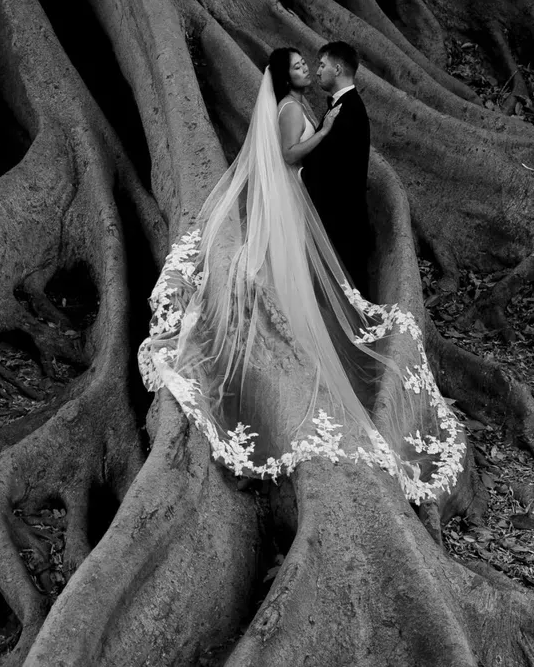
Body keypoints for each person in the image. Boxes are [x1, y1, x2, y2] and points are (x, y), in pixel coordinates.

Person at [137, 47, 463, 505]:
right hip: (294, 208)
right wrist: (326, 131)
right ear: (283, 77)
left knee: (306, 294)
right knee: (289, 290)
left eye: (313, 65)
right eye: (299, 66)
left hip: (304, 210)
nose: (309, 69)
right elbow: (290, 156)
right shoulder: (292, 109)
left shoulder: (307, 105)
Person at [300, 41, 371, 298]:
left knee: (351, 298)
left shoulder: (349, 111)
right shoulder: (342, 106)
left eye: (322, 64)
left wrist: (296, 177)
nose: (317, 71)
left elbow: (333, 170)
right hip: (338, 220)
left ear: (338, 69)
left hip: (342, 222)